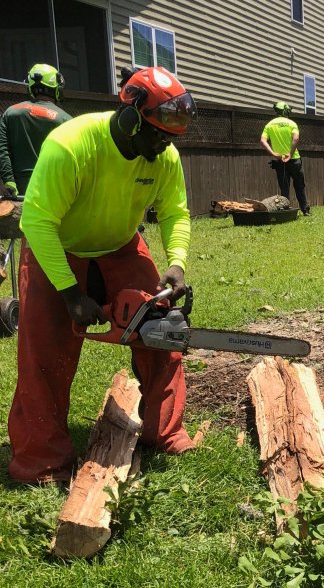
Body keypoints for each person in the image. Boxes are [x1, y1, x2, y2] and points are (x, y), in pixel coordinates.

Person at [7, 66, 198, 486]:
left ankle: (165, 431)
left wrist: (177, 262)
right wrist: (70, 294)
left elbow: (174, 212)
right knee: (44, 351)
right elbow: (37, 223)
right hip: (56, 246)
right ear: (130, 118)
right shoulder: (71, 145)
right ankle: (40, 459)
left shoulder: (164, 156)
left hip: (121, 245)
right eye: (158, 135)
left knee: (163, 331)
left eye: (171, 138)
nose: (164, 144)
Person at [0, 63, 72, 197]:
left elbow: (2, 149)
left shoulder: (11, 112)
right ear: (56, 88)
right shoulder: (66, 119)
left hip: (20, 191)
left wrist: (9, 181)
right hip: (54, 191)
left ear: (31, 88)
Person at [260, 101, 310, 214]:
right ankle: (305, 210)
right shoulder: (292, 124)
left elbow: (263, 141)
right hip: (294, 160)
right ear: (285, 111)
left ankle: (285, 212)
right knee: (299, 186)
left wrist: (273, 153)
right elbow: (296, 139)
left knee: (284, 188)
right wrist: (290, 153)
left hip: (280, 160)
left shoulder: (269, 125)